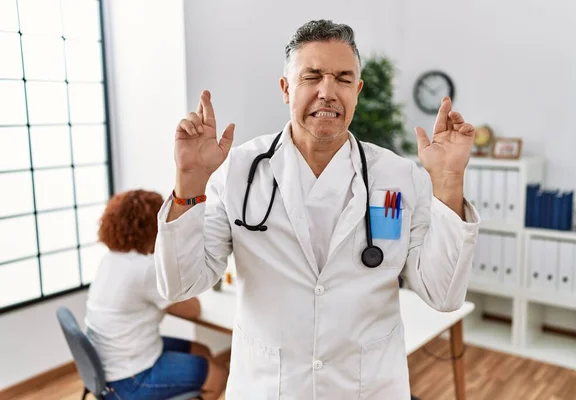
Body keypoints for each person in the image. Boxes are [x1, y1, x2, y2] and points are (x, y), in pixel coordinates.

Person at [154, 19, 480, 400]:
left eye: (343, 78)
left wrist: (450, 180)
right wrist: (189, 181)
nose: (328, 92)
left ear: (357, 90)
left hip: (367, 387)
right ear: (285, 88)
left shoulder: (399, 176)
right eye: (312, 76)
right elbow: (179, 285)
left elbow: (444, 295)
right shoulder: (238, 170)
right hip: (268, 387)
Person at [84, 189, 228, 400]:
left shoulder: (111, 260)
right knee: (220, 374)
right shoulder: (144, 270)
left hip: (109, 364)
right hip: (130, 377)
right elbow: (193, 310)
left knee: (202, 350)